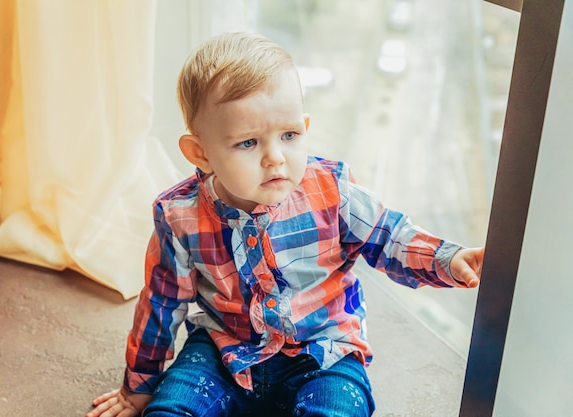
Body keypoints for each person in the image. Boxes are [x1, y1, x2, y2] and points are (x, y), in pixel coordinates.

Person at [87, 31, 484, 417]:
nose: (275, 157)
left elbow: (391, 236)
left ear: (305, 128)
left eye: (290, 135)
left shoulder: (332, 192)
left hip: (324, 351)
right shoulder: (180, 217)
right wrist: (137, 387)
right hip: (224, 351)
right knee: (170, 408)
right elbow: (161, 304)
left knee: (338, 407)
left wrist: (448, 259)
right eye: (248, 142)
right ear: (200, 153)